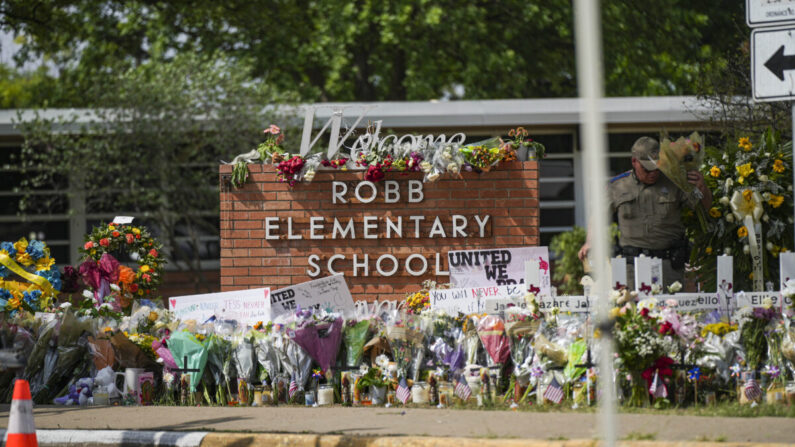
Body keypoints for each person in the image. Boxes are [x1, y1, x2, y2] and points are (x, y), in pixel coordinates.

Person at [577, 136, 712, 289]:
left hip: (668, 265)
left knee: (671, 310)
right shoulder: (617, 186)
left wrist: (703, 188)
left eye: (656, 167)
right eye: (647, 169)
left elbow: (704, 208)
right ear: (634, 161)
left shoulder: (675, 182)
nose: (653, 173)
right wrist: (590, 241)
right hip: (630, 267)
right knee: (630, 310)